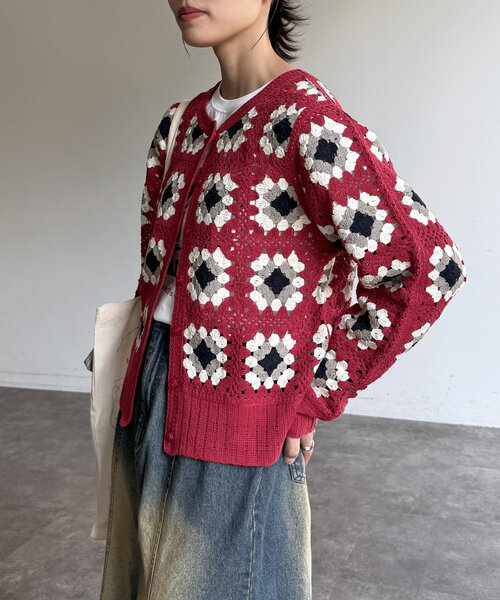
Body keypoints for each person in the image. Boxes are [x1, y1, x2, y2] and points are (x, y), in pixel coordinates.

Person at [99, 1, 467, 599]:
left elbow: (427, 269)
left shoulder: (306, 123)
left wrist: (316, 391)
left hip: (238, 414)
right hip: (145, 394)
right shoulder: (178, 126)